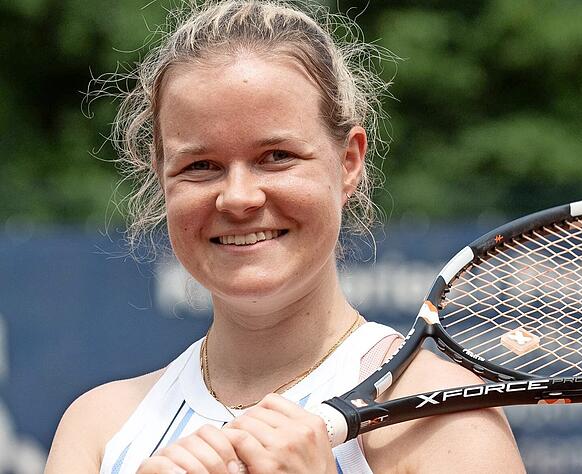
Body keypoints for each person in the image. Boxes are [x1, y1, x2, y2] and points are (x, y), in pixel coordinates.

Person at [45, 1, 524, 473]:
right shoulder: (99, 428)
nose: (237, 197)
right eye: (200, 166)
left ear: (348, 161)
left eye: (276, 156)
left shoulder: (441, 416)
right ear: (162, 175)